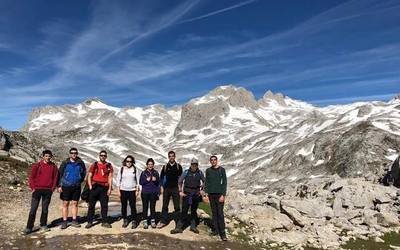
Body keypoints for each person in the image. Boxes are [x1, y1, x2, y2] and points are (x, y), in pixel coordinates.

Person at [24, 150, 59, 234]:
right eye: (46, 156)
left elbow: (55, 178)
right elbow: (31, 177)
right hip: (37, 190)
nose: (48, 157)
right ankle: (29, 227)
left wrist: (52, 189)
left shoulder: (53, 167)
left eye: (49, 156)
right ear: (43, 156)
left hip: (48, 190)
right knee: (33, 208)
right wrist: (33, 188)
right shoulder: (37, 165)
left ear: (51, 157)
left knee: (45, 208)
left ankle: (43, 225)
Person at [171, 158, 205, 234]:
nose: (194, 166)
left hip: (196, 194)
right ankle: (178, 228)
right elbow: (179, 181)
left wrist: (202, 190)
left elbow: (204, 181)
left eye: (195, 164)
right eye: (193, 164)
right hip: (187, 194)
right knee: (184, 211)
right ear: (191, 164)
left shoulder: (200, 173)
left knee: (193, 211)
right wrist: (180, 191)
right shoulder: (186, 172)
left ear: (197, 165)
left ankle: (193, 227)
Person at [58, 148, 86, 229]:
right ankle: (64, 221)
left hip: (76, 186)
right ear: (70, 154)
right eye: (72, 153)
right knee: (65, 203)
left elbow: (83, 172)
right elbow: (60, 174)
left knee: (75, 203)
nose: (74, 154)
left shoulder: (80, 163)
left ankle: (74, 220)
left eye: (75, 153)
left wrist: (79, 180)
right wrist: (59, 185)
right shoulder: (65, 163)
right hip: (66, 186)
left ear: (77, 153)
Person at [85, 150, 113, 229]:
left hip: (104, 187)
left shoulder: (109, 165)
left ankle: (104, 221)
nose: (103, 157)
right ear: (99, 156)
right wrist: (90, 186)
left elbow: (110, 177)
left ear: (106, 157)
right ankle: (90, 222)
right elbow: (89, 176)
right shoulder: (95, 164)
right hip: (95, 186)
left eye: (104, 155)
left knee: (104, 205)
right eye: (101, 155)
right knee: (91, 206)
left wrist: (110, 188)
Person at [204, 155, 228, 241]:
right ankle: (216, 230)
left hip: (219, 195)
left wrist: (223, 195)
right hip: (211, 194)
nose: (213, 161)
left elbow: (224, 182)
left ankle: (223, 233)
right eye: (212, 160)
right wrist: (206, 194)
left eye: (215, 160)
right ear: (210, 161)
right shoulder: (208, 170)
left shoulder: (222, 170)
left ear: (217, 161)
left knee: (220, 213)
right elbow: (206, 182)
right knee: (214, 213)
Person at [158, 151, 182, 229]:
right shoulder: (165, 166)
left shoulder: (178, 166)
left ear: (175, 157)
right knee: (165, 205)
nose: (171, 157)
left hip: (175, 188)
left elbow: (181, 178)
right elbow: (161, 177)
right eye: (170, 156)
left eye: (173, 156)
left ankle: (178, 222)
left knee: (177, 206)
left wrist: (180, 187)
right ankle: (163, 221)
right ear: (168, 157)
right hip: (167, 188)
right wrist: (161, 187)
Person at [116, 155, 139, 229]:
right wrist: (118, 190)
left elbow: (138, 181)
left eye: (130, 161)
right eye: (127, 161)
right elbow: (118, 179)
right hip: (123, 190)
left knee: (133, 206)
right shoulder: (122, 169)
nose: (129, 163)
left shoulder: (135, 169)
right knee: (124, 206)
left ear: (132, 162)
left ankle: (134, 221)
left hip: (132, 190)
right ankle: (125, 220)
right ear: (125, 161)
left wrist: (137, 190)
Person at [139, 158, 160, 229]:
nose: (150, 165)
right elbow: (140, 182)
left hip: (153, 193)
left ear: (153, 165)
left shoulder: (156, 173)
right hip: (145, 193)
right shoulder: (143, 173)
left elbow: (158, 183)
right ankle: (145, 221)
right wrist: (146, 180)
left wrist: (155, 180)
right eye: (149, 164)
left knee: (152, 207)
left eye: (151, 164)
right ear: (147, 165)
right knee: (145, 207)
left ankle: (152, 221)